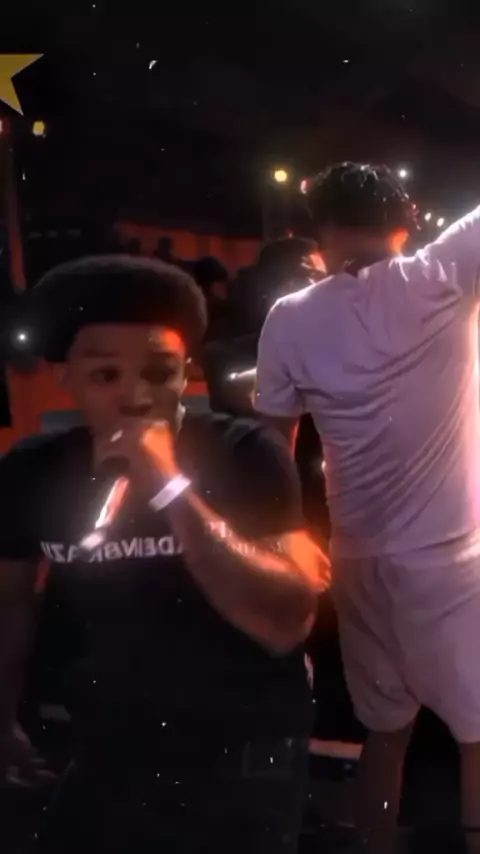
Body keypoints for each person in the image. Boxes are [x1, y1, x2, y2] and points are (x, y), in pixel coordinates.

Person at [0, 255, 329, 853]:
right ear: (65, 375)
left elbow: (286, 619)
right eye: (106, 375)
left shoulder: (243, 451)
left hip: (243, 745)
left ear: (185, 373)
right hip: (107, 742)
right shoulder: (34, 471)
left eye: (159, 373)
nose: (136, 396)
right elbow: (11, 604)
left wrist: (169, 485)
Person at [253, 161, 480, 852]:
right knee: (478, 739)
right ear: (405, 221)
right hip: (450, 564)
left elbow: (272, 443)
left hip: (354, 561)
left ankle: (374, 845)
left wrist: (286, 533)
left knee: (385, 733)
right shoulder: (440, 274)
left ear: (318, 232)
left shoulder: (288, 317)